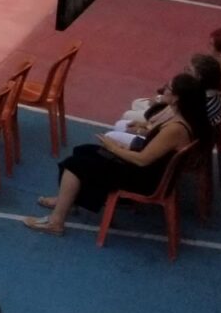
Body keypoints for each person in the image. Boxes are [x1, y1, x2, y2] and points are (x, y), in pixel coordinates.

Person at [26, 71, 210, 235]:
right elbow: (151, 150)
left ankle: (56, 221)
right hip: (151, 172)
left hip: (144, 179)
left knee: (74, 164)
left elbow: (143, 160)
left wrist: (114, 148)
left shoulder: (176, 129)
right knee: (83, 150)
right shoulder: (185, 120)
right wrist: (123, 148)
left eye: (169, 88)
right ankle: (69, 199)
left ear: (177, 98)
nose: (164, 90)